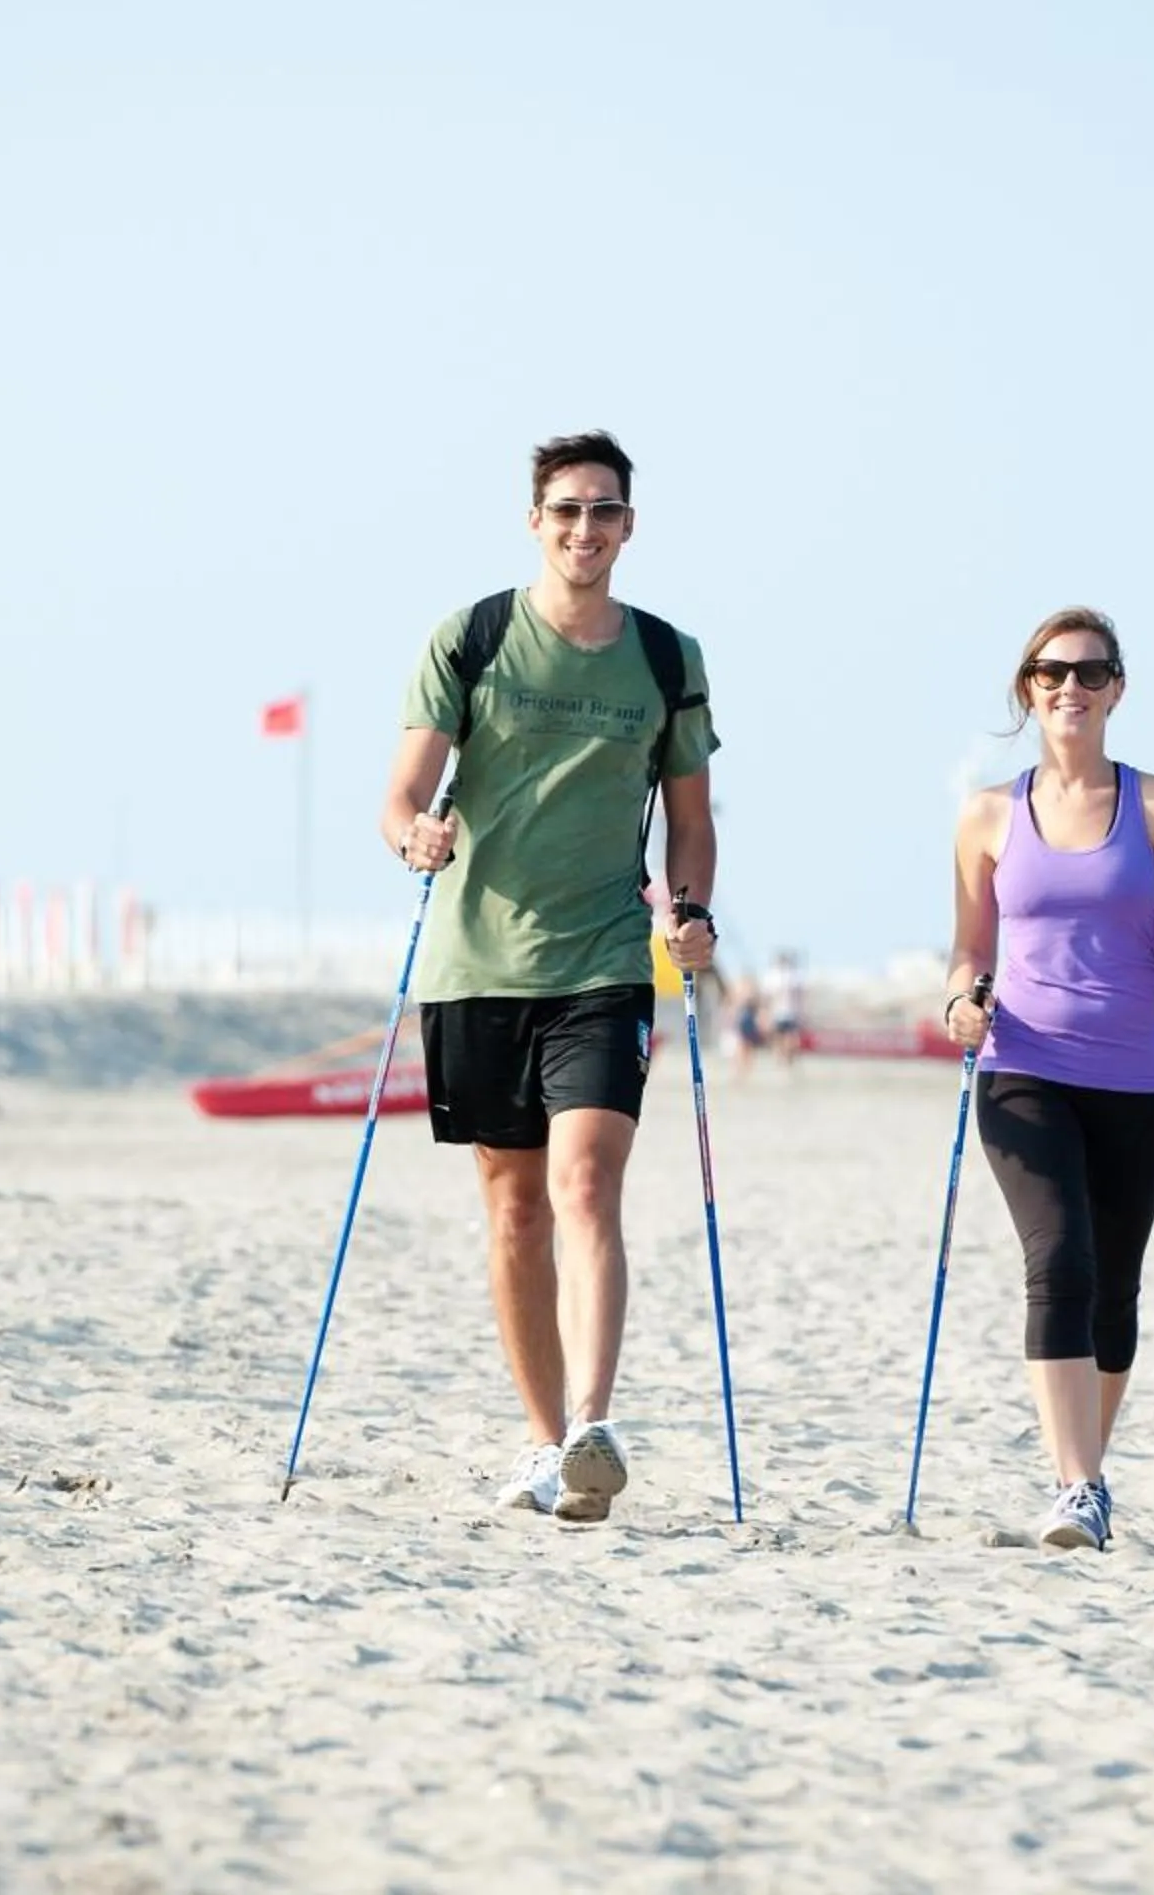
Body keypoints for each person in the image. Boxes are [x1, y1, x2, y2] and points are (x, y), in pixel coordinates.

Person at [381, 429, 720, 1525]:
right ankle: (541, 1441)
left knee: (585, 1184)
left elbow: (692, 823)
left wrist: (694, 912)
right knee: (516, 1209)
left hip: (607, 963)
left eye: (605, 511)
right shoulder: (473, 637)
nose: (586, 529)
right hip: (478, 963)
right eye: (567, 509)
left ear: (630, 526)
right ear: (537, 522)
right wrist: (413, 838)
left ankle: (591, 1424)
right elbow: (404, 795)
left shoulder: (668, 658)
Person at [941, 607, 1154, 1551]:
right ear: (1026, 690)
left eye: (1088, 672)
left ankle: (1086, 1478)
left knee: (1114, 1290)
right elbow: (966, 954)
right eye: (1049, 673)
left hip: (1142, 1081)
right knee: (1058, 1260)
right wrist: (960, 1005)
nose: (1069, 687)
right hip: (1024, 1068)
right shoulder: (989, 813)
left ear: (1117, 689)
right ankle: (1076, 1487)